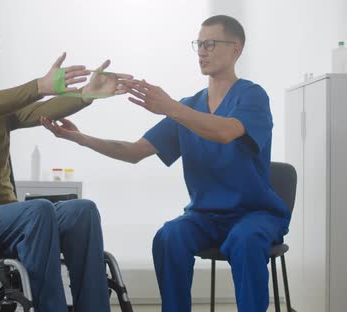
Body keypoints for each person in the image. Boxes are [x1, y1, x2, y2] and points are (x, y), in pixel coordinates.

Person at [41, 15, 290, 312]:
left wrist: (170, 107)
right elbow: (134, 152)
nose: (202, 50)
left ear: (236, 49)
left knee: (245, 240)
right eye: (199, 44)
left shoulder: (252, 97)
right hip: (206, 216)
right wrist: (80, 138)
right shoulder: (188, 107)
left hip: (255, 214)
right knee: (169, 237)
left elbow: (224, 132)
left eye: (210, 43)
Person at [0, 22, 130, 312]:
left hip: (8, 214)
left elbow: (39, 111)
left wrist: (86, 93)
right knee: (39, 209)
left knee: (82, 210)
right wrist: (39, 86)